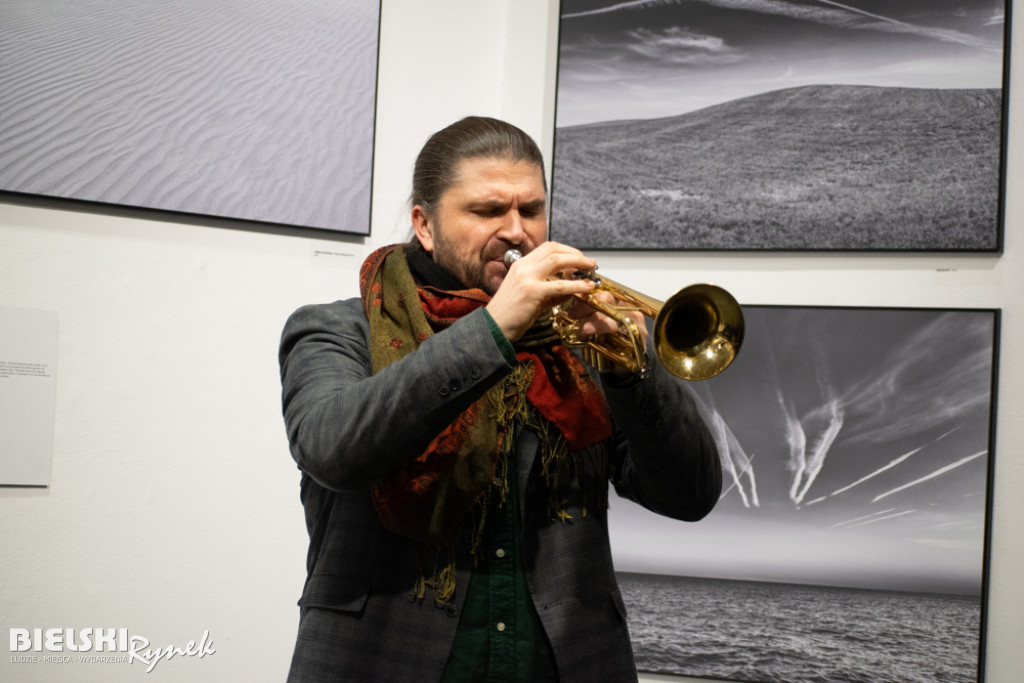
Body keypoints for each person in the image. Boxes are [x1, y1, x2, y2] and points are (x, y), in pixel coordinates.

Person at [278, 116, 722, 683]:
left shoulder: (573, 343)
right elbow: (332, 449)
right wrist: (494, 330)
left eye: (531, 210)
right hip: (382, 661)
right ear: (425, 224)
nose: (517, 232)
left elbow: (689, 495)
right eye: (488, 211)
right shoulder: (336, 330)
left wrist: (634, 371)